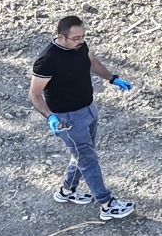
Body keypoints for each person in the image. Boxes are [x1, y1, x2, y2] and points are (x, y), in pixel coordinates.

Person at [29, 15, 136, 222]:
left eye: (83, 37)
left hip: (88, 109)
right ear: (61, 36)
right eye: (76, 38)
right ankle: (106, 204)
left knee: (82, 154)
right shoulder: (47, 60)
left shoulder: (80, 47)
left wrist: (112, 78)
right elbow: (34, 94)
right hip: (67, 118)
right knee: (88, 159)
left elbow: (92, 63)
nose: (80, 41)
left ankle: (67, 190)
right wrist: (49, 116)